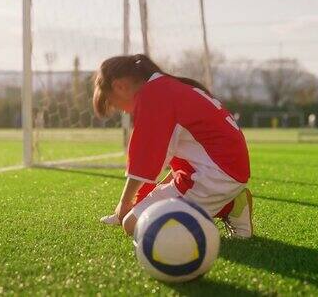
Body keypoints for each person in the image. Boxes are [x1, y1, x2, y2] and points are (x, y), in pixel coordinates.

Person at [94, 54, 253, 238]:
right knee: (137, 216)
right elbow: (161, 161)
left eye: (113, 102)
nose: (121, 110)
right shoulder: (165, 86)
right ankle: (229, 201)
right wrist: (138, 203)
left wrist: (125, 203)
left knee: (133, 225)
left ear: (120, 86)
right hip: (217, 167)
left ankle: (231, 206)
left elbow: (145, 160)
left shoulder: (153, 97)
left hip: (214, 176)